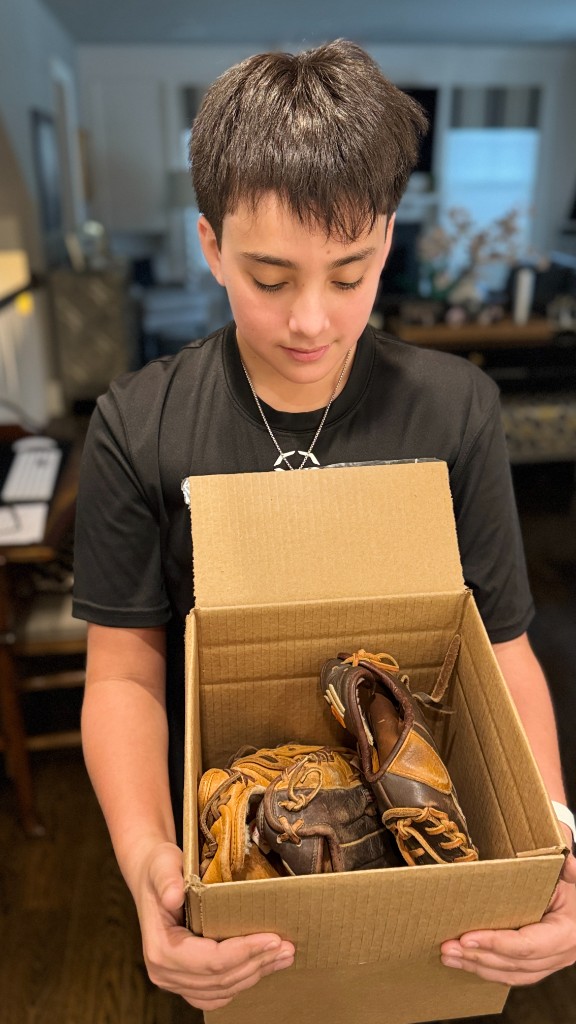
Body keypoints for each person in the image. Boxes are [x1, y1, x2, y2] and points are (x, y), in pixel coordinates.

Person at [72, 40, 576, 1014]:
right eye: (270, 277)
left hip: (428, 910)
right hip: (239, 885)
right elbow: (125, 670)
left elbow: (503, 644)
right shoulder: (138, 424)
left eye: (350, 274)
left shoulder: (456, 407)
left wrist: (549, 834)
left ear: (388, 239)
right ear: (211, 243)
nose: (312, 320)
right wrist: (147, 864)